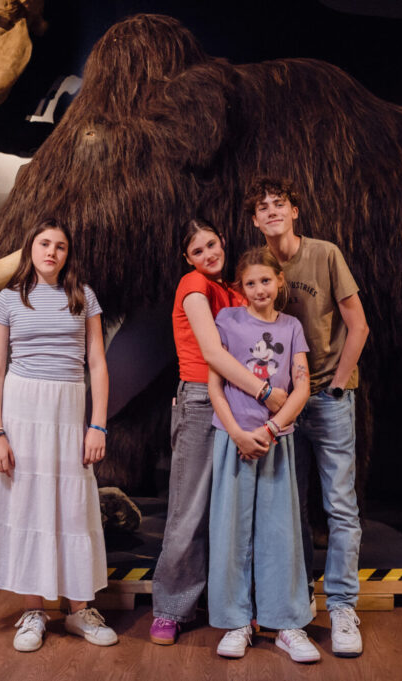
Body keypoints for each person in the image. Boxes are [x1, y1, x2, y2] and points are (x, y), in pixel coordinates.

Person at [0, 219, 117, 652]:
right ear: (31, 249)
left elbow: (97, 364)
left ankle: (79, 611)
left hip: (68, 409)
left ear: (67, 254)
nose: (51, 252)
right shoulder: (8, 299)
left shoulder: (83, 296)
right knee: (26, 505)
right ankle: (34, 610)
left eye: (60, 246)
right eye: (44, 243)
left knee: (72, 508)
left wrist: (97, 424)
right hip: (22, 410)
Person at [244, 176, 370, 657]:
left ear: (294, 211)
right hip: (280, 404)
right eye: (263, 207)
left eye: (279, 203)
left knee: (340, 505)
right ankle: (296, 603)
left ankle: (342, 606)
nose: (272, 211)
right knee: (288, 508)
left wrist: (336, 384)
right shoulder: (257, 266)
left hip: (328, 397)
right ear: (255, 220)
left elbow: (358, 325)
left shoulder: (325, 254)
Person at [150, 218, 289, 645]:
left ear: (223, 241)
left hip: (239, 401)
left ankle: (234, 606)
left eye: (212, 244)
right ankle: (171, 609)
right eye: (198, 251)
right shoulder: (194, 284)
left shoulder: (233, 290)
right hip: (201, 398)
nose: (208, 254)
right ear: (187, 258)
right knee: (189, 508)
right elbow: (211, 352)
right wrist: (266, 392)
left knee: (235, 511)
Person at [207, 246, 317, 663]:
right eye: (250, 283)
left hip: (276, 441)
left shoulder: (291, 327)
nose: (259, 289)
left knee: (280, 532)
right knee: (231, 532)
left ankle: (286, 623)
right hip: (233, 440)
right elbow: (215, 385)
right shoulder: (227, 320)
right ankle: (236, 622)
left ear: (279, 281)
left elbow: (302, 386)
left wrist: (272, 429)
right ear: (241, 288)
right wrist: (237, 433)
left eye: (266, 281)